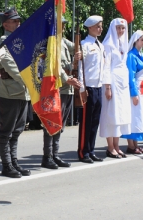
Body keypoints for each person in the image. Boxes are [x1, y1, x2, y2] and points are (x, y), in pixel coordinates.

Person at [0, 7, 31, 178]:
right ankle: (6, 164)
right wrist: (29, 81)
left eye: (18, 20)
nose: (18, 23)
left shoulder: (21, 40)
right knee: (6, 130)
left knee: (17, 130)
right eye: (14, 21)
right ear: (5, 24)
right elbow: (10, 66)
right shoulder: (2, 42)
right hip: (9, 90)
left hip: (23, 91)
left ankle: (14, 162)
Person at [42, 20, 82, 169]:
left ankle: (55, 155)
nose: (63, 27)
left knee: (61, 124)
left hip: (67, 88)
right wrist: (67, 79)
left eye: (64, 24)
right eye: (60, 24)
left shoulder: (63, 41)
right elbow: (53, 63)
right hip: (57, 87)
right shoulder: (51, 42)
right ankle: (47, 156)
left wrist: (79, 53)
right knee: (52, 122)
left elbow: (77, 48)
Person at [99, 18, 131, 158]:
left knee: (120, 115)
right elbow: (106, 67)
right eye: (118, 28)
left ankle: (117, 146)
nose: (121, 31)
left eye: (123, 28)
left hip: (122, 85)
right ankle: (110, 146)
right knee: (110, 114)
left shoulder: (123, 45)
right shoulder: (108, 44)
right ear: (113, 28)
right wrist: (107, 87)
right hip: (112, 83)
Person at [77, 15, 105, 164]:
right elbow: (81, 68)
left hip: (98, 86)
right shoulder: (84, 45)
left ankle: (91, 149)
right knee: (86, 122)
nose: (100, 29)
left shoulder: (100, 45)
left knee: (95, 121)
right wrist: (82, 88)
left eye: (101, 26)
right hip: (89, 87)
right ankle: (83, 151)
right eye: (98, 26)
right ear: (90, 27)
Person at [122, 30, 143, 154]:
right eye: (142, 39)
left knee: (141, 116)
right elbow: (131, 76)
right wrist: (134, 93)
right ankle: (131, 145)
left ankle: (136, 144)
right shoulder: (131, 55)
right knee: (134, 116)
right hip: (136, 89)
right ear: (136, 41)